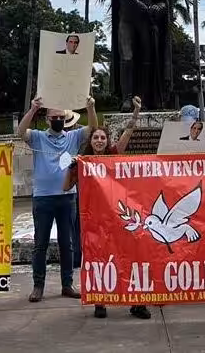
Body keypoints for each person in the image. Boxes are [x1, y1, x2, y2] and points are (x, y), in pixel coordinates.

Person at [63, 97, 148, 320]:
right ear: (90, 141)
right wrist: (71, 169)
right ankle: (100, 301)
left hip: (118, 219)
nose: (99, 140)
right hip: (93, 222)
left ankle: (136, 302)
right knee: (96, 261)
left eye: (103, 137)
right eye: (96, 137)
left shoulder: (112, 156)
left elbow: (127, 135)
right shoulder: (82, 162)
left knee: (127, 258)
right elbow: (65, 187)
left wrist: (136, 113)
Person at [18, 95, 95, 303]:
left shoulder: (72, 137)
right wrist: (33, 109)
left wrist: (90, 108)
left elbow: (92, 130)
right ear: (47, 120)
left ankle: (67, 284)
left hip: (67, 197)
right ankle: (38, 286)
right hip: (43, 197)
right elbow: (20, 132)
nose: (58, 120)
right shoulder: (38, 137)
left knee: (67, 243)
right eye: (54, 117)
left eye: (61, 117)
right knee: (40, 244)